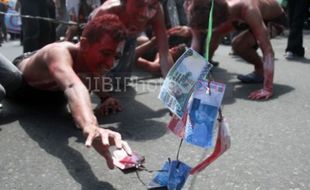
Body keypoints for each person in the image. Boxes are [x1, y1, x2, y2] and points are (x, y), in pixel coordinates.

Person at [0, 14, 132, 169]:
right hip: (20, 86)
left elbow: (87, 82)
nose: (111, 63)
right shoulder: (59, 52)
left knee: (91, 72)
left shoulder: (93, 67)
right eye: (105, 54)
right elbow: (72, 86)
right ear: (84, 44)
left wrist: (106, 98)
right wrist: (91, 126)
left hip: (52, 98)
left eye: (116, 56)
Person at [185, 0, 285, 100]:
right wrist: (191, 73)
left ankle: (260, 70)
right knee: (215, 34)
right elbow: (196, 43)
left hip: (274, 19)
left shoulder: (248, 9)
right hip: (239, 15)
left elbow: (268, 51)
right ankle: (206, 67)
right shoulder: (212, 7)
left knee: (239, 45)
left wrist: (268, 88)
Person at [89, 0, 173, 78]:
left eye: (151, 7)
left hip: (128, 41)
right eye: (139, 5)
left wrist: (171, 84)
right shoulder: (107, 11)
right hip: (100, 37)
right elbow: (88, 51)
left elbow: (164, 53)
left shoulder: (157, 11)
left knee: (121, 78)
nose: (144, 14)